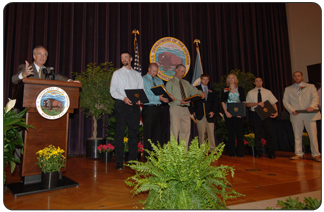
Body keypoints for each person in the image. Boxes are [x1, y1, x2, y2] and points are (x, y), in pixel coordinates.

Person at [110, 51, 144, 170]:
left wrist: (140, 100)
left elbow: (141, 90)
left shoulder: (137, 75)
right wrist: (123, 98)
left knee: (134, 133)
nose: (123, 59)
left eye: (125, 57)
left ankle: (133, 160)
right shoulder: (117, 73)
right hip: (121, 105)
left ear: (130, 59)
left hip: (134, 106)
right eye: (121, 57)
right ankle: (119, 161)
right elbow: (112, 91)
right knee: (120, 132)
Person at [282, 71, 321, 162]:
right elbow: (285, 101)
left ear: (302, 77)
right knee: (297, 135)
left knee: (313, 135)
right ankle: (298, 153)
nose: (297, 77)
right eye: (295, 76)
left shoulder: (310, 87)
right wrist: (292, 110)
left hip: (309, 114)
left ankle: (316, 154)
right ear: (293, 78)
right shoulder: (288, 89)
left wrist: (312, 106)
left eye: (298, 76)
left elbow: (315, 98)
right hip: (296, 115)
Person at [165, 64, 205, 147]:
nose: (183, 73)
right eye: (181, 71)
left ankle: (184, 154)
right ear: (176, 70)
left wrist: (200, 92)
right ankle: (174, 155)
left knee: (186, 132)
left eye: (184, 72)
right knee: (174, 132)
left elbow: (194, 90)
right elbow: (168, 99)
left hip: (186, 109)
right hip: (175, 108)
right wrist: (180, 102)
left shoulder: (186, 83)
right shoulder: (170, 83)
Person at [142, 63, 174, 159]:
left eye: (156, 71)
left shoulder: (159, 80)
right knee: (148, 133)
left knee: (159, 133)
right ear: (148, 69)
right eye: (153, 71)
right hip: (149, 108)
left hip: (159, 109)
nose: (155, 73)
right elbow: (145, 95)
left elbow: (164, 93)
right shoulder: (143, 79)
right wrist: (158, 98)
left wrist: (169, 96)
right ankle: (148, 157)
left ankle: (158, 156)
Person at [246, 77, 278, 159]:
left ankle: (271, 152)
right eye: (256, 81)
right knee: (257, 133)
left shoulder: (267, 92)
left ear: (262, 82)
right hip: (256, 114)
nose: (258, 82)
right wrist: (256, 103)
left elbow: (273, 102)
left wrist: (276, 112)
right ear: (254, 83)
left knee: (269, 133)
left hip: (266, 114)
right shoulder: (250, 93)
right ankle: (258, 152)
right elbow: (247, 104)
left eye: (260, 81)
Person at [12, 45, 77, 84]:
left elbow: (58, 77)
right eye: (39, 54)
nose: (42, 57)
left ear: (46, 58)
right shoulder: (25, 68)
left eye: (45, 55)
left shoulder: (48, 71)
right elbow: (14, 80)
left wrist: (70, 81)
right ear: (34, 56)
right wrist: (23, 74)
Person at [221, 73, 246, 158]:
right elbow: (223, 102)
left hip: (238, 114)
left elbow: (243, 101)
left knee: (239, 133)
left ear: (235, 79)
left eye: (232, 78)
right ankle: (232, 152)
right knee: (230, 133)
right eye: (229, 78)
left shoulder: (240, 89)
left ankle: (240, 152)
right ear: (227, 80)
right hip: (229, 114)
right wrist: (226, 112)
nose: (231, 79)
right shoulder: (225, 90)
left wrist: (241, 113)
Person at [192, 73, 217, 152]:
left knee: (211, 133)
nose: (205, 81)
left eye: (207, 80)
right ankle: (202, 150)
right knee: (201, 134)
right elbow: (190, 100)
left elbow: (216, 102)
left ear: (208, 80)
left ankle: (212, 149)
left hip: (210, 115)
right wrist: (193, 111)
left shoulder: (212, 90)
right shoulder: (196, 89)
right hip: (200, 114)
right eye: (203, 79)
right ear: (201, 80)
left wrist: (213, 111)